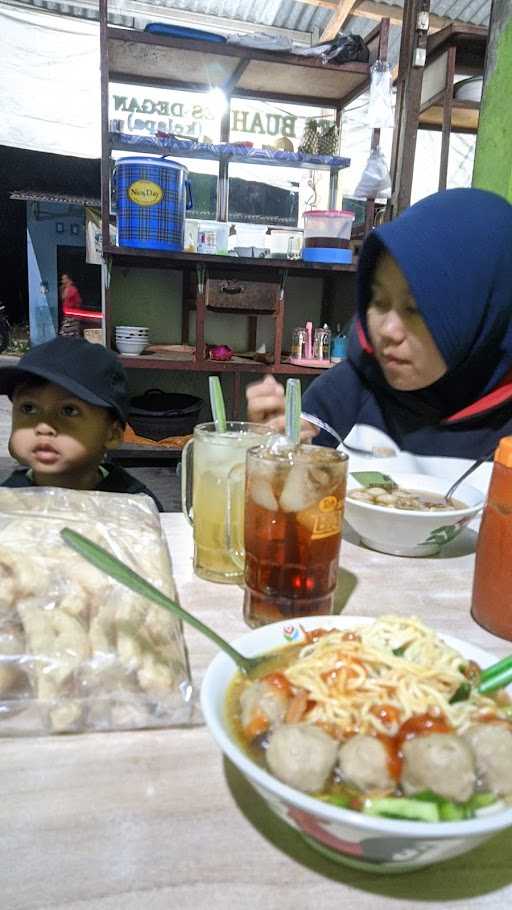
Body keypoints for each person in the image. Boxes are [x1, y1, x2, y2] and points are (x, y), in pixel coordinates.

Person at [247, 188, 512, 460]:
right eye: (379, 301)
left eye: (415, 309)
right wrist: (274, 449)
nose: (387, 331)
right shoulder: (350, 389)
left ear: (487, 312)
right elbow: (293, 480)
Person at [0, 336, 164, 511]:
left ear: (112, 434)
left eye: (69, 410)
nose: (43, 427)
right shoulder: (9, 498)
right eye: (28, 408)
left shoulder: (133, 504)